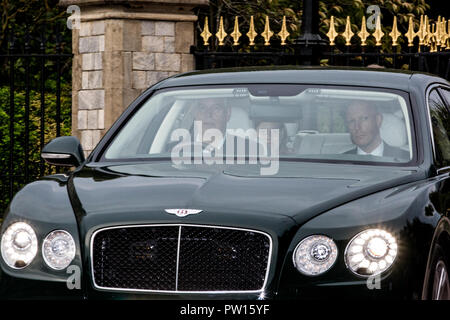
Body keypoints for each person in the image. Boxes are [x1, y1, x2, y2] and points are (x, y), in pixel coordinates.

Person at [344, 100, 409, 160]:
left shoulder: (407, 159)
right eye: (351, 121)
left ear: (378, 120)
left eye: (364, 118)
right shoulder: (341, 161)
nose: (357, 127)